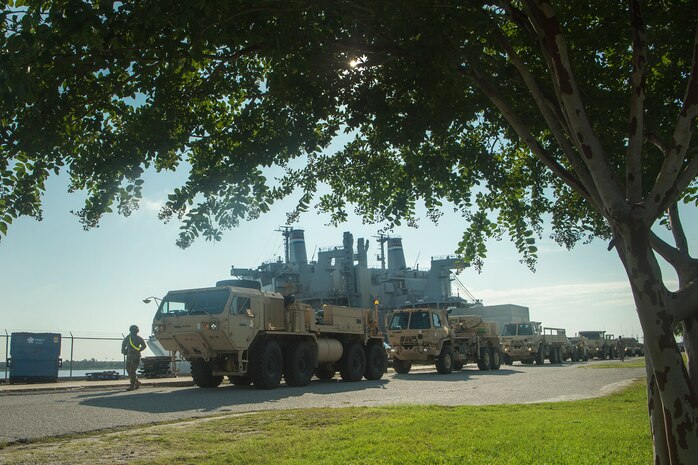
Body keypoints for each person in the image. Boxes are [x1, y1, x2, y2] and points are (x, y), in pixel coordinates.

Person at [121, 325, 147, 390]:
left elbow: (144, 346)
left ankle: (132, 385)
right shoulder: (128, 337)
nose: (135, 332)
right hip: (129, 356)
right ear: (131, 330)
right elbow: (124, 344)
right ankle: (137, 381)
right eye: (133, 330)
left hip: (136, 356)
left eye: (136, 331)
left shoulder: (139, 338)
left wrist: (139, 350)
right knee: (128, 369)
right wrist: (123, 350)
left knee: (132, 371)